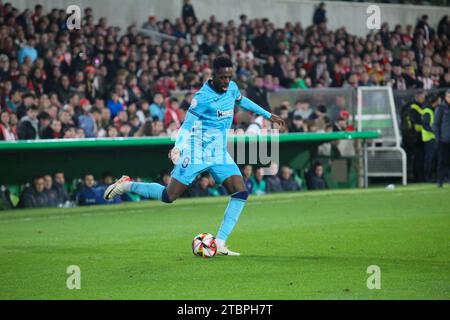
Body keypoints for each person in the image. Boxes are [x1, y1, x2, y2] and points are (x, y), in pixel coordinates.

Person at [104, 56, 285, 256]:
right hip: (196, 150)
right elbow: (186, 125)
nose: (227, 81)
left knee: (240, 192)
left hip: (217, 152)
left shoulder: (232, 87)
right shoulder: (201, 98)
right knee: (169, 196)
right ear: (213, 75)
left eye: (229, 77)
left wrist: (268, 115)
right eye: (223, 77)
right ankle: (125, 185)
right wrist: (177, 148)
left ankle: (220, 242)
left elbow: (243, 101)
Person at [401, 90, 426, 182]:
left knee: (415, 159)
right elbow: (414, 125)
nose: (424, 99)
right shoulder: (413, 108)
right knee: (416, 159)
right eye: (423, 97)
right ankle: (416, 178)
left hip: (413, 138)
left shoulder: (411, 107)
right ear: (418, 97)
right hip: (414, 139)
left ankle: (415, 177)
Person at [433, 90, 450, 187]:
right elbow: (436, 124)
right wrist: (438, 138)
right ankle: (440, 181)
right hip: (444, 140)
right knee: (442, 161)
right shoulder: (441, 108)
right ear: (446, 97)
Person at [422, 94, 440, 182]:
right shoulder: (427, 111)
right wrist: (434, 131)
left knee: (433, 158)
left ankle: (431, 176)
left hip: (432, 138)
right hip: (429, 138)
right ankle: (428, 177)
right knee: (430, 158)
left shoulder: (431, 110)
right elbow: (425, 125)